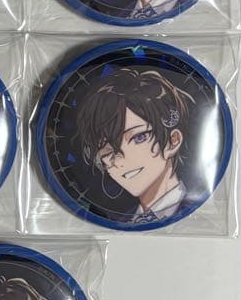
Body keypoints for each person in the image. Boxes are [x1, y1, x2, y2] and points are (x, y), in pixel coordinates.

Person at [75, 67, 194, 224]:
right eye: (108, 151)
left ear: (173, 141)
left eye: (139, 137)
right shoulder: (120, 221)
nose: (121, 158)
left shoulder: (200, 213)